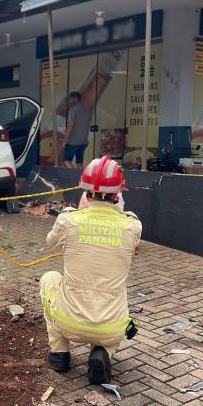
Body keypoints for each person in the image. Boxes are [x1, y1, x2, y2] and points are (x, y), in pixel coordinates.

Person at [39, 155, 142, 384]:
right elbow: (132, 242)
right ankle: (103, 352)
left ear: (84, 191)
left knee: (50, 278)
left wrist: (78, 213)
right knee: (119, 298)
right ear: (118, 194)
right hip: (111, 327)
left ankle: (60, 353)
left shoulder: (68, 220)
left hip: (69, 322)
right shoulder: (132, 225)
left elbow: (50, 242)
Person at [63, 92, 92, 168]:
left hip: (73, 142)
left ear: (74, 98)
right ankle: (81, 178)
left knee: (66, 160)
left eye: (70, 99)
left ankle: (74, 177)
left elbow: (70, 126)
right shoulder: (87, 110)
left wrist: (65, 141)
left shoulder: (73, 110)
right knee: (79, 162)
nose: (69, 101)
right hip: (84, 141)